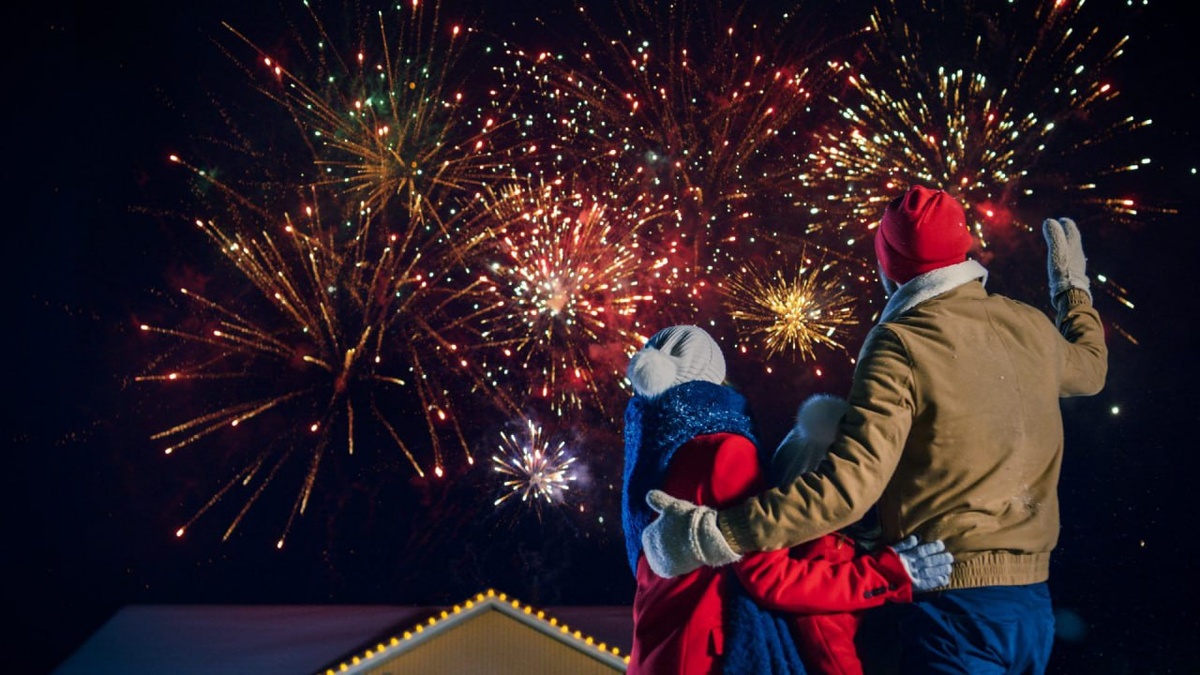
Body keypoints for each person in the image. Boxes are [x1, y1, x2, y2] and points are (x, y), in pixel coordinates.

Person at [639, 186, 1108, 674]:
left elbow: (848, 489)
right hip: (1032, 605)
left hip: (953, 604)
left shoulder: (902, 341)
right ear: (963, 245)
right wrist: (1072, 289)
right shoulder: (1029, 325)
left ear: (889, 265)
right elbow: (1091, 370)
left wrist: (717, 533)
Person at [622, 324, 952, 675]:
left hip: (655, 654)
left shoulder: (646, 458)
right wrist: (888, 574)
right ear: (713, 375)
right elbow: (767, 574)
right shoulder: (726, 450)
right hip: (706, 657)